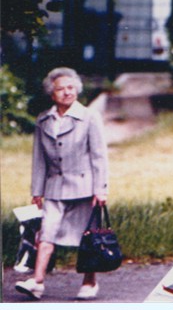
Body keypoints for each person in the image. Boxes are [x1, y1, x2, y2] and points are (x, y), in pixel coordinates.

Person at [15, 67, 109, 301]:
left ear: (77, 89)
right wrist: (37, 191)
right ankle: (37, 282)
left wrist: (101, 189)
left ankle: (90, 282)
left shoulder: (89, 117)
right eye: (61, 89)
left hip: (85, 188)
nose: (67, 92)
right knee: (46, 233)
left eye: (71, 87)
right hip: (54, 188)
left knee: (88, 239)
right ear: (52, 93)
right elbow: (39, 158)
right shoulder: (43, 120)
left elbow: (99, 156)